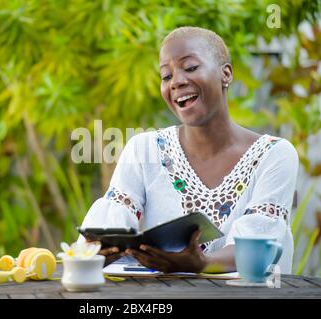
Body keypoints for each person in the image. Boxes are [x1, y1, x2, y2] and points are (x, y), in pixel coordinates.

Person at [78, 26, 299, 274]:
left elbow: (259, 247)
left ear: (226, 74)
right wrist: (101, 252)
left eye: (191, 68)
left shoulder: (273, 154)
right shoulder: (144, 149)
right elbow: (111, 227)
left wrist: (202, 264)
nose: (177, 81)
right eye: (166, 76)